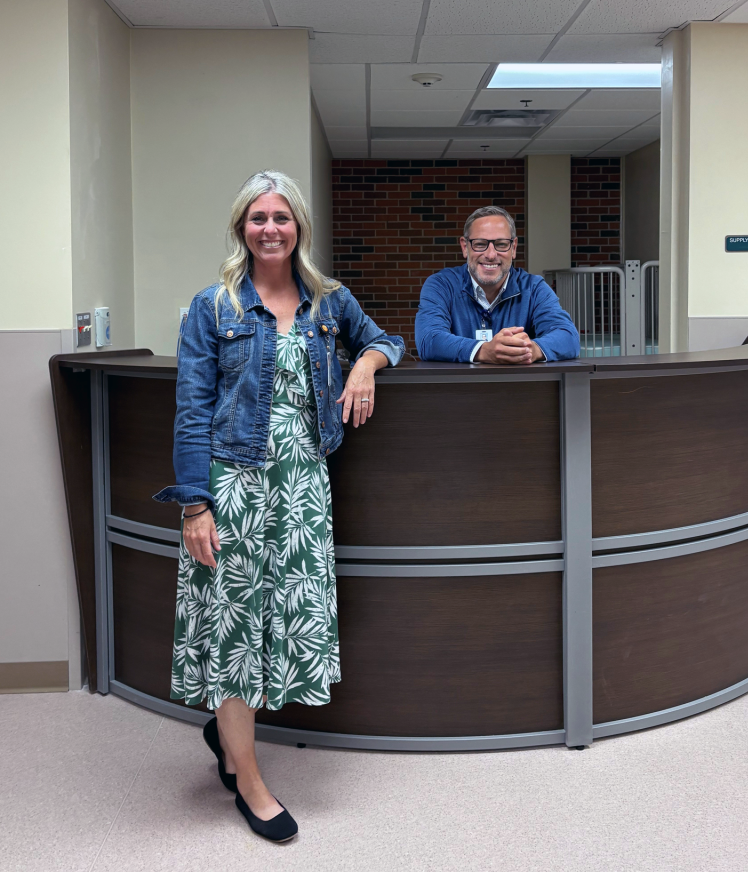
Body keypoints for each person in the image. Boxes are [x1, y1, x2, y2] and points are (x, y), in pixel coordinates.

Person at [154, 170, 404, 842]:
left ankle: (227, 739)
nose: (270, 229)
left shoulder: (329, 301)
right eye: (258, 218)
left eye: (282, 218)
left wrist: (364, 363)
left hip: (303, 490)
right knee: (235, 633)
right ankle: (250, 779)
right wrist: (194, 506)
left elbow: (390, 339)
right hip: (233, 485)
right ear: (242, 228)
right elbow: (190, 411)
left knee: (283, 621)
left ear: (300, 229)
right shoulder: (214, 308)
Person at [414, 205, 580, 363]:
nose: (491, 254)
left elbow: (568, 337)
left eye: (501, 244)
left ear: (513, 248)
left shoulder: (534, 288)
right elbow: (429, 340)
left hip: (517, 390)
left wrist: (529, 350)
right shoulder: (441, 285)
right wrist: (485, 351)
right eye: (480, 244)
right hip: (458, 391)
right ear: (465, 247)